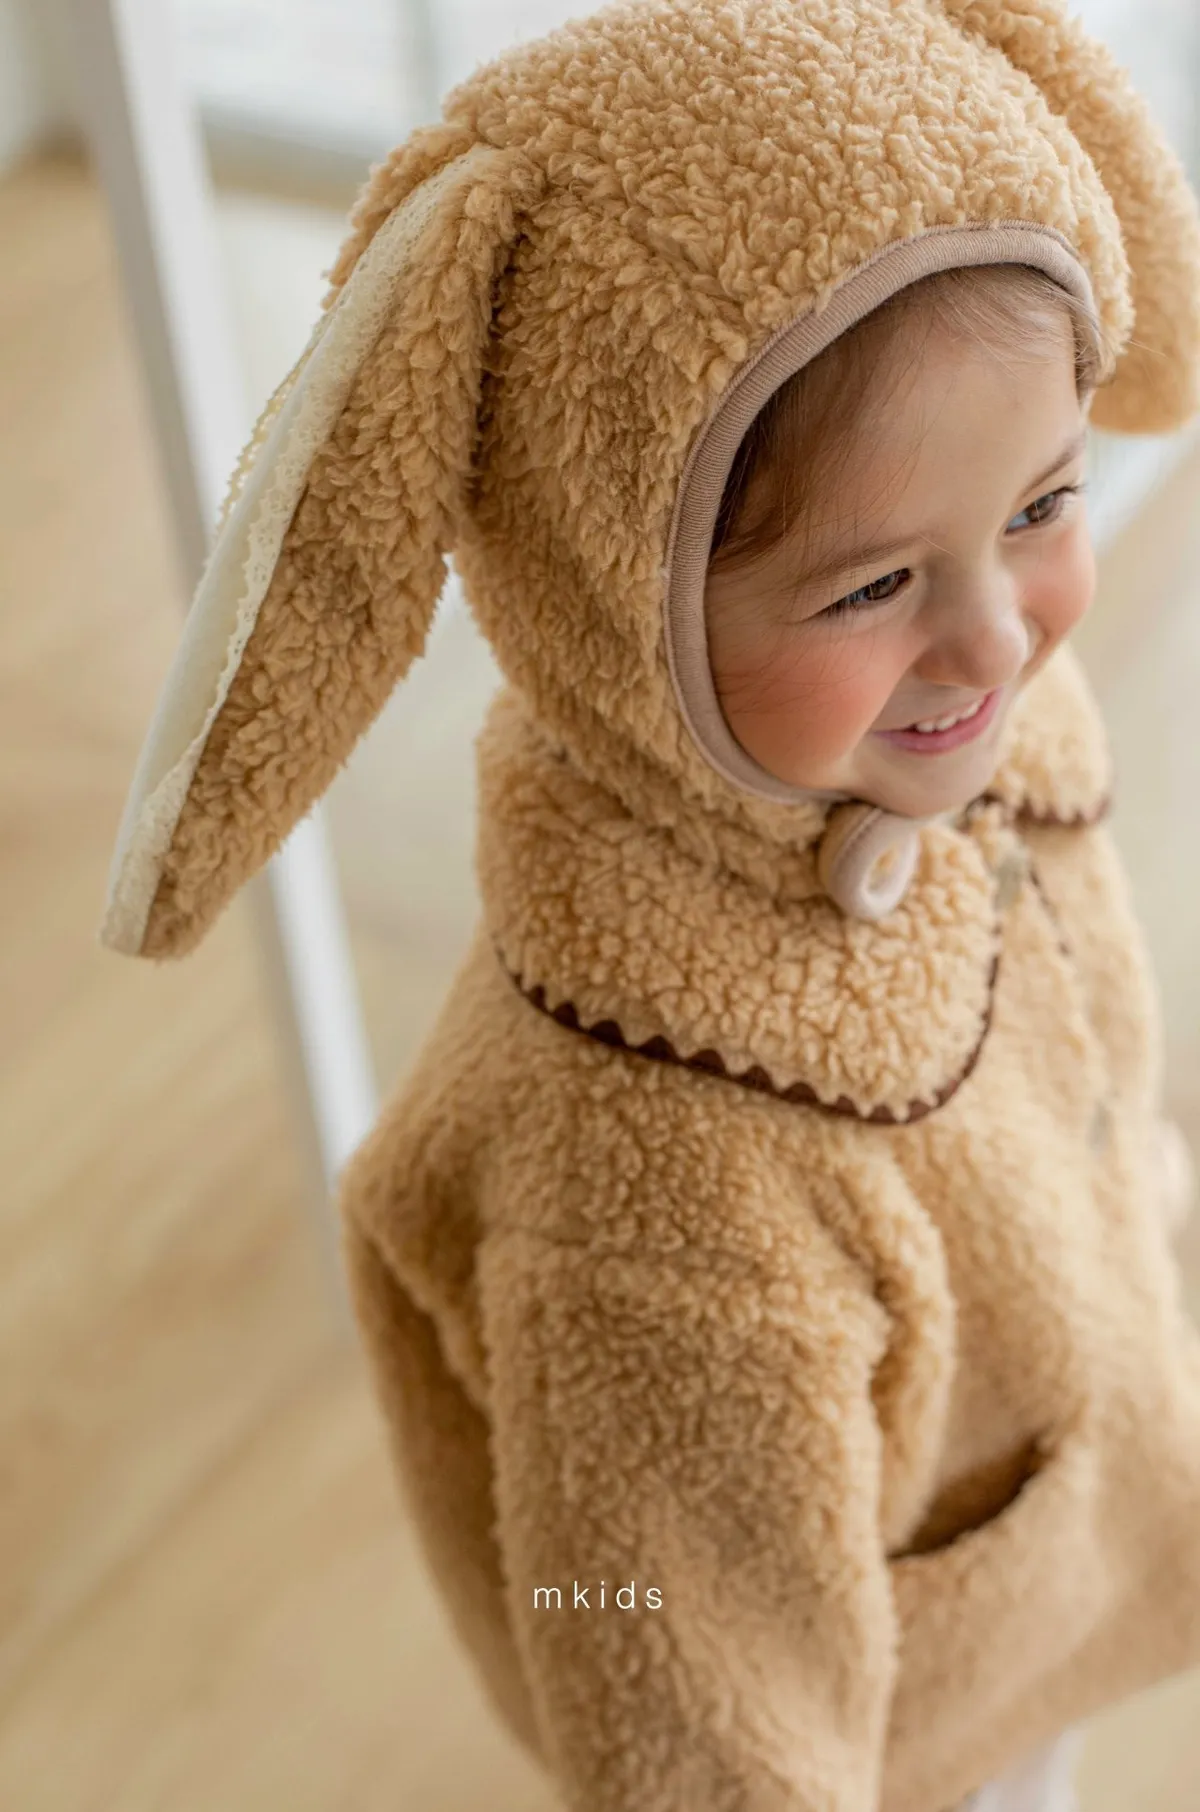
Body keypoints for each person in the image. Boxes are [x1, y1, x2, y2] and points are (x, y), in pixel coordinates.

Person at [99, 2, 1200, 1808]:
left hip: (1044, 1547)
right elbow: (686, 1696)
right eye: (871, 589)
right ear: (618, 597)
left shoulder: (964, 730)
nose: (998, 637)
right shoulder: (655, 1187)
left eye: (1046, 502)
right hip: (892, 1721)